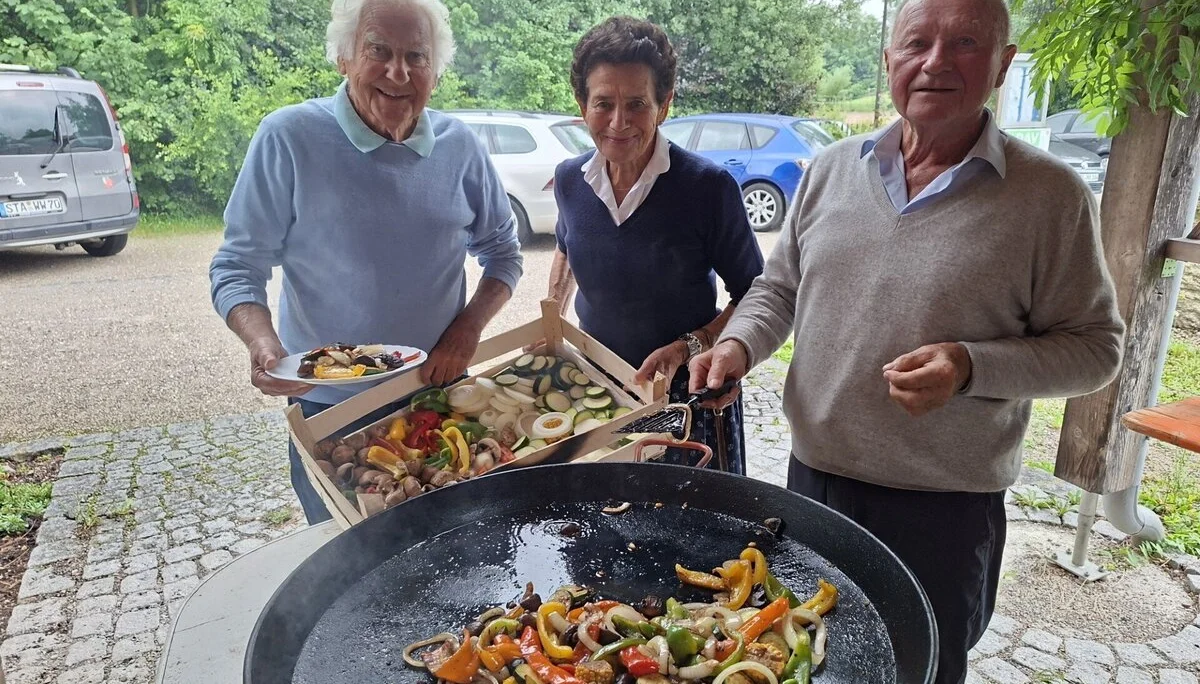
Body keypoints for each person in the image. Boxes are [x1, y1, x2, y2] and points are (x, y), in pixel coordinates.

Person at [689, 0, 1124, 680]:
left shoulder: (1050, 196)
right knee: (796, 657)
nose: (936, 62)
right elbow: (778, 289)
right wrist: (738, 345)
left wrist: (970, 365)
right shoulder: (832, 168)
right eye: (917, 42)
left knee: (918, 667)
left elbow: (1097, 348)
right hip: (814, 481)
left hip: (944, 511)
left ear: (1004, 64)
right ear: (889, 60)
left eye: (966, 43)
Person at [209, 0, 522, 525]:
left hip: (438, 397)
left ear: (436, 72)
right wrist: (264, 344)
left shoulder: (460, 146)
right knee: (345, 559)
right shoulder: (288, 137)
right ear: (343, 59)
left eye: (416, 57)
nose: (398, 73)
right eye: (379, 50)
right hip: (330, 408)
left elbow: (503, 254)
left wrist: (468, 329)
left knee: (456, 544)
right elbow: (237, 266)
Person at [545, 17, 765, 474]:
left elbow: (756, 294)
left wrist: (690, 344)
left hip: (687, 397)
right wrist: (551, 324)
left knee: (689, 529)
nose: (619, 122)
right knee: (603, 521)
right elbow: (566, 250)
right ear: (582, 105)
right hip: (599, 390)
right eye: (603, 103)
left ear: (664, 105)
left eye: (637, 104)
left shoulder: (707, 187)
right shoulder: (570, 179)